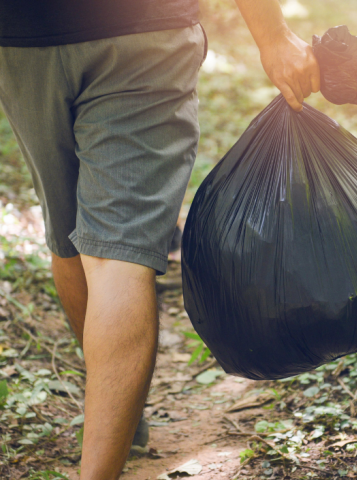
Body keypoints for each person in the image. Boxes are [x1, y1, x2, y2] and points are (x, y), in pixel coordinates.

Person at [0, 1, 320, 478]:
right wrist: (272, 36)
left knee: (69, 239)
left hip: (25, 37)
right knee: (112, 258)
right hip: (143, 29)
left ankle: (116, 417)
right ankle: (106, 448)